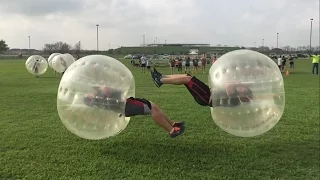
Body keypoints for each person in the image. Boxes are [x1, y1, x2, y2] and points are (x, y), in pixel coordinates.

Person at [83, 86, 185, 138]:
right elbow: (107, 89)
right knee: (151, 108)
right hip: (128, 106)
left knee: (153, 106)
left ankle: (172, 124)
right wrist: (98, 88)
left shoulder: (99, 99)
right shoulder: (99, 99)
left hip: (128, 103)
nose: (89, 93)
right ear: (90, 99)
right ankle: (172, 131)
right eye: (88, 95)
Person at [150, 68, 253, 107]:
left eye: (244, 90)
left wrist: (240, 84)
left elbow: (228, 86)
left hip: (206, 97)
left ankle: (161, 81)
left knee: (188, 80)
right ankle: (162, 76)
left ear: (244, 95)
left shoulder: (236, 99)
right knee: (187, 76)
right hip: (207, 92)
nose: (242, 88)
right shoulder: (235, 95)